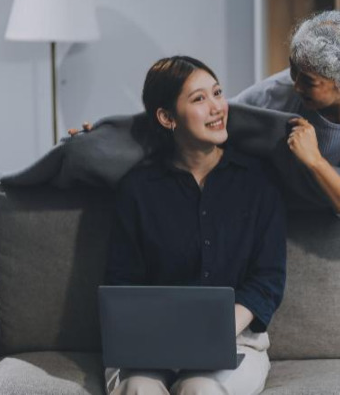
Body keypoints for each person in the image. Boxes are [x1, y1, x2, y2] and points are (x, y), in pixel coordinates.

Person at [73, 10, 340, 232]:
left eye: (309, 80)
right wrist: (107, 137)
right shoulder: (287, 88)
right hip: (268, 192)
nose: (295, 84)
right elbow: (212, 120)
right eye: (293, 69)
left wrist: (315, 161)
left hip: (312, 201)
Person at [103, 56, 286, 395]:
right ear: (166, 117)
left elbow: (268, 280)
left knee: (200, 390)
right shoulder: (138, 189)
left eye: (217, 93)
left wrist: (215, 331)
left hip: (235, 342)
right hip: (149, 345)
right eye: (199, 99)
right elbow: (122, 281)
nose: (217, 107)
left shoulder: (258, 183)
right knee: (138, 390)